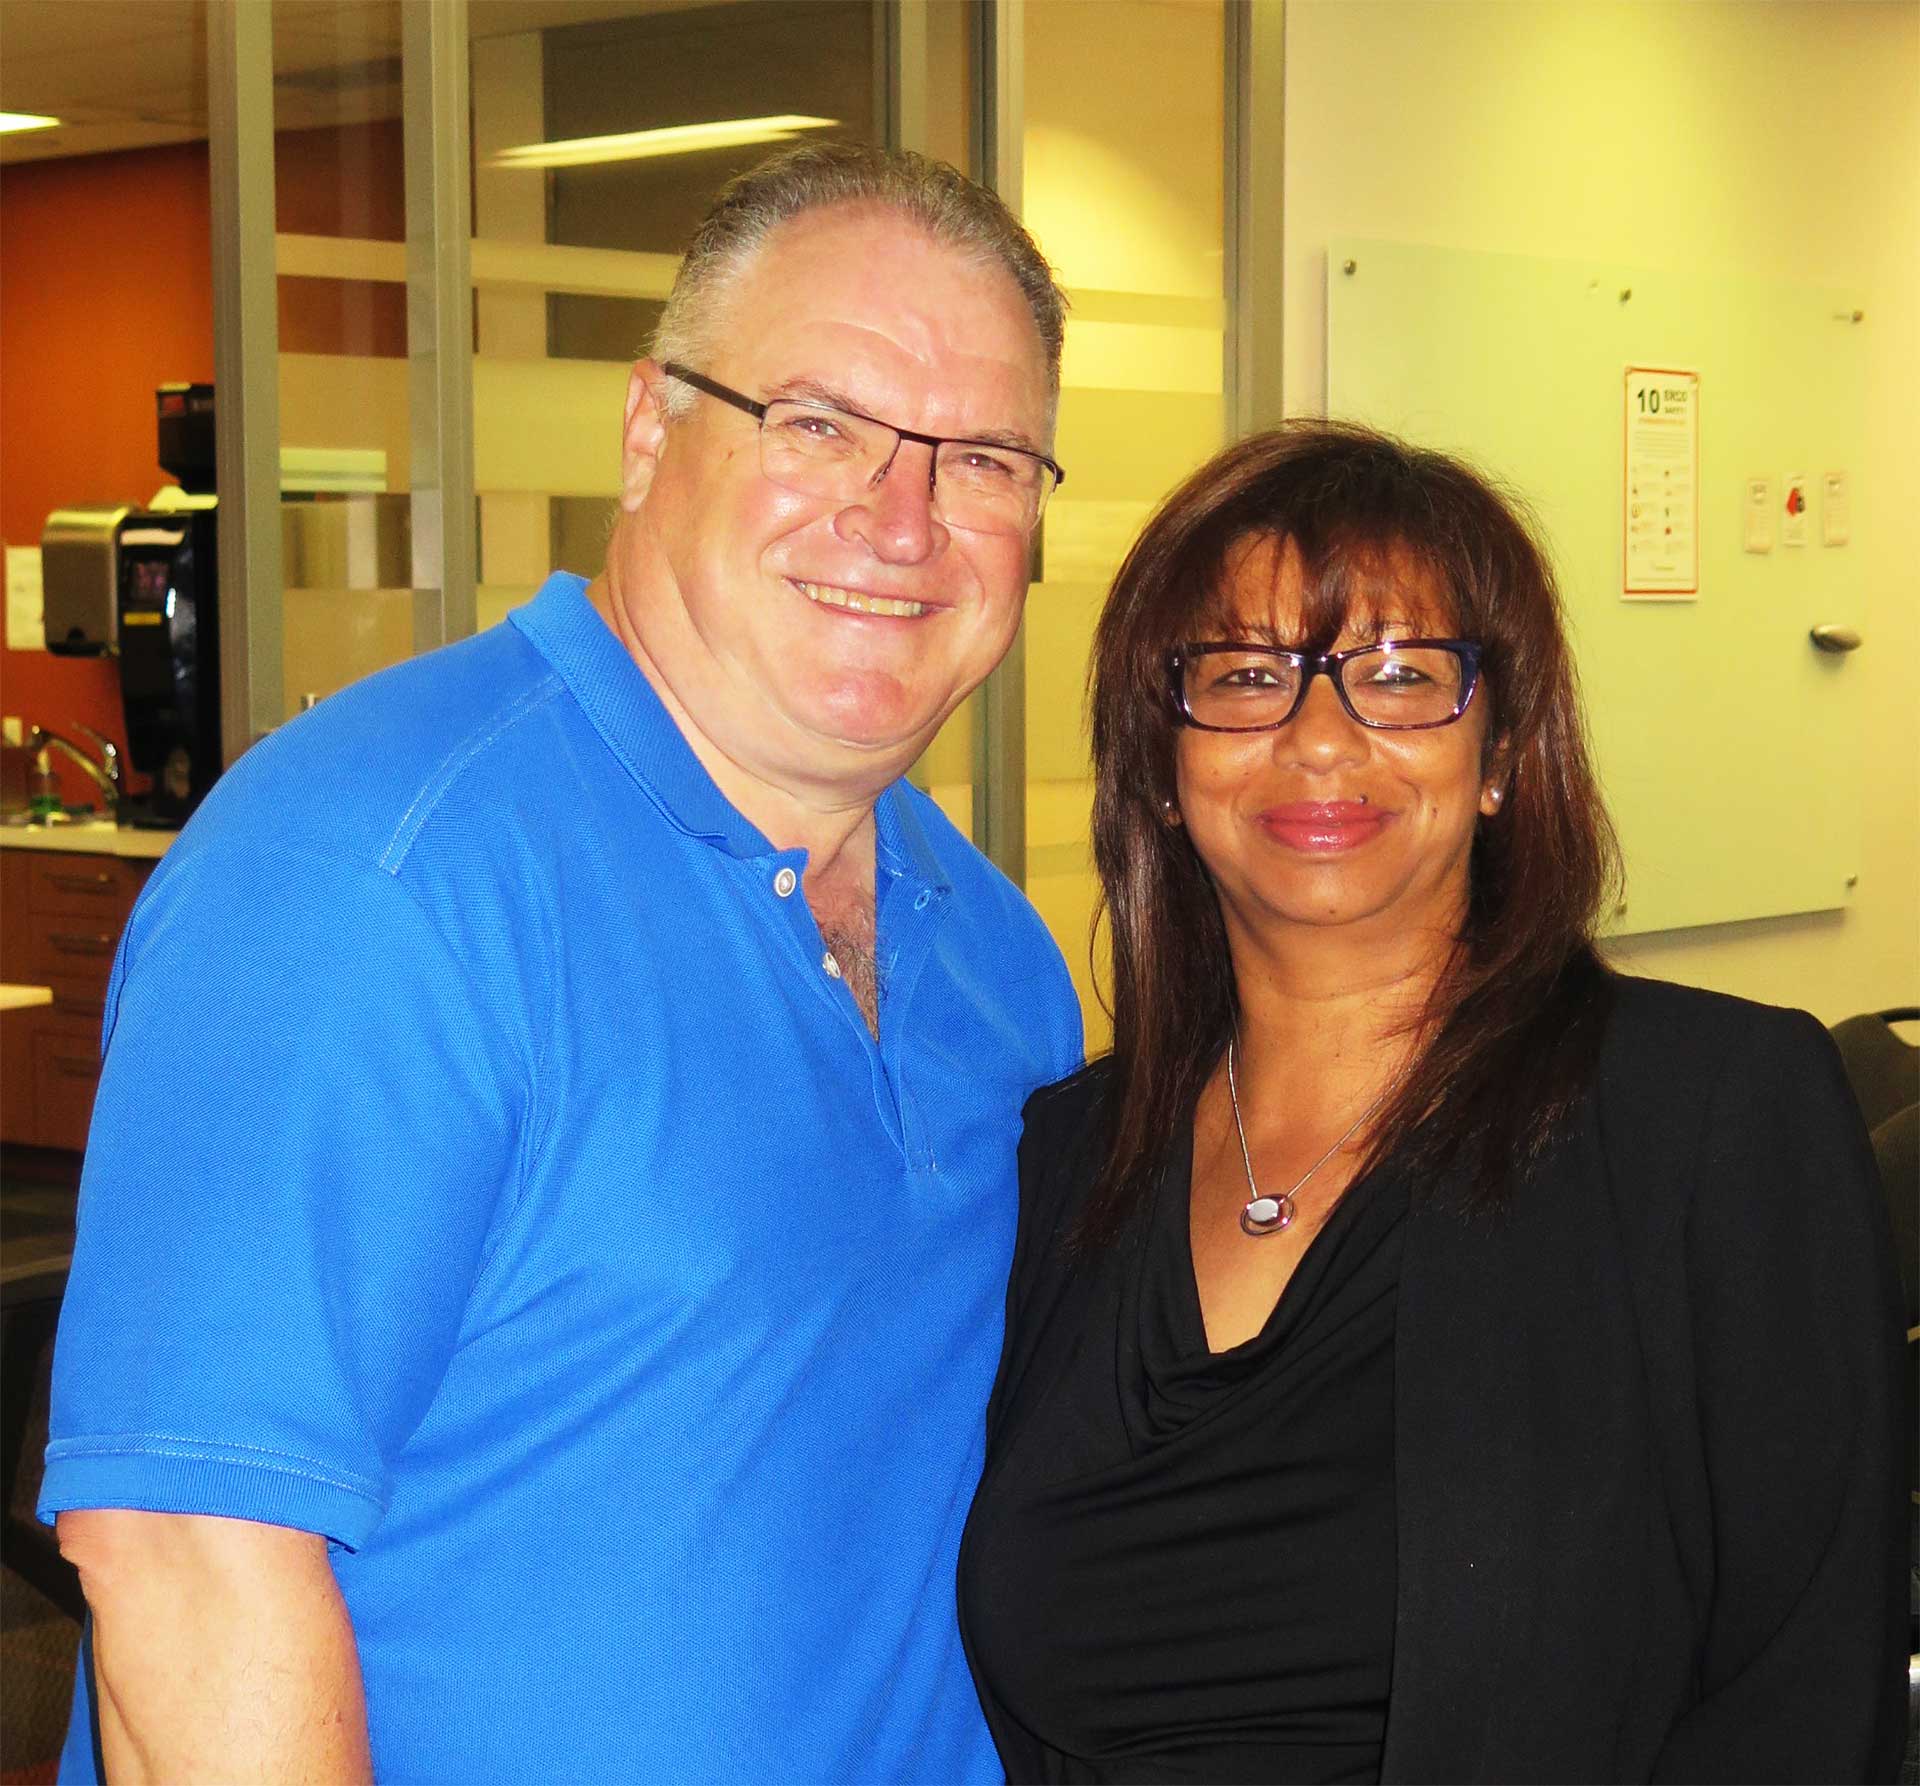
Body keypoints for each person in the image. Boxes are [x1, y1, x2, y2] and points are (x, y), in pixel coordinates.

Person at [42, 144, 1083, 1785]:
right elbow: (184, 1552)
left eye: (986, 459)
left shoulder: (1003, 968)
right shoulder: (375, 873)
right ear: (651, 429)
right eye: (817, 425)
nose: (903, 519)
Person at [958, 422, 1909, 1783]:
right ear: (1165, 766)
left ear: (1506, 751)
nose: (1320, 736)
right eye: (1244, 674)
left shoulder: (1713, 1121)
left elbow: (1808, 1704)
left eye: (1402, 676)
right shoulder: (1068, 1160)